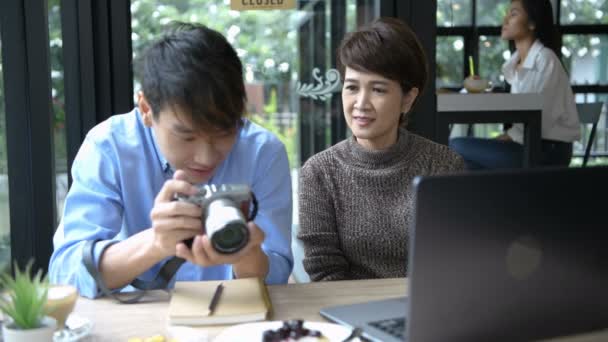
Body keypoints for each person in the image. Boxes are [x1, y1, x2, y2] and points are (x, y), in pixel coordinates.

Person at [49, 22, 293, 298]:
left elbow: (278, 274)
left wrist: (245, 254)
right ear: (146, 110)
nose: (206, 156)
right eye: (186, 136)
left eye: (225, 132)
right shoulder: (109, 147)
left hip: (233, 316)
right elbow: (66, 272)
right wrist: (156, 242)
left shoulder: (262, 152)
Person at [297, 17, 465, 281]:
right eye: (351, 87)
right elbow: (324, 271)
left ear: (407, 99)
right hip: (347, 312)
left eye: (378, 89)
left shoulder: (443, 166)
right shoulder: (319, 172)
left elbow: (453, 261)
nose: (360, 103)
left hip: (423, 308)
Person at [450, 0, 580, 169]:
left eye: (513, 14)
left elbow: (539, 119)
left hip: (547, 151)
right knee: (465, 165)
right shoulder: (515, 65)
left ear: (532, 23)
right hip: (527, 145)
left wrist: (501, 139)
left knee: (455, 146)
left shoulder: (545, 60)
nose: (505, 20)